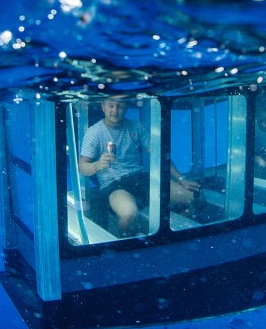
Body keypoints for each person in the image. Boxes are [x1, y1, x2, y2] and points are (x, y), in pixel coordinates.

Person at [79, 97, 200, 237]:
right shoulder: (93, 132)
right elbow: (82, 167)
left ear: (126, 108)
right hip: (114, 185)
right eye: (111, 106)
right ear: (103, 107)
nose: (115, 111)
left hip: (140, 179)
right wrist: (97, 165)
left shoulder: (136, 127)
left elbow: (159, 155)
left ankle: (177, 234)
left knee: (194, 197)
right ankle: (126, 248)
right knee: (129, 215)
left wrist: (181, 178)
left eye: (120, 106)